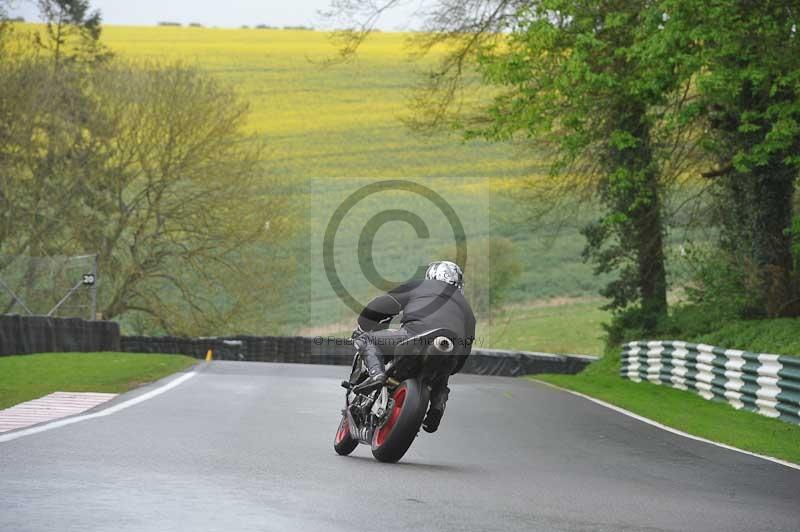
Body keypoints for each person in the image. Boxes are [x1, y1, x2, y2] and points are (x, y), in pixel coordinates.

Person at [351, 260, 476, 433]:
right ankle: (438, 404)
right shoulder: (467, 308)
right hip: (450, 349)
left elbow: (380, 305)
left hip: (413, 335)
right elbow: (465, 351)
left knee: (366, 340)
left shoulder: (422, 285)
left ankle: (376, 375)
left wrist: (364, 324)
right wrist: (452, 366)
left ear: (432, 275)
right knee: (443, 373)